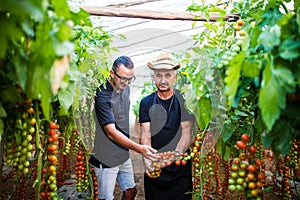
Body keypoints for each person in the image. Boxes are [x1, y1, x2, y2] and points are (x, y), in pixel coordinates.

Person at [89, 55, 158, 200]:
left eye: (130, 79)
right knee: (106, 198)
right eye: (123, 78)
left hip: (123, 154)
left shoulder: (125, 89)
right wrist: (139, 148)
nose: (126, 83)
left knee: (131, 191)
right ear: (111, 73)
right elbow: (111, 133)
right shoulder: (102, 96)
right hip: (106, 157)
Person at [139, 51, 195, 200]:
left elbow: (186, 133)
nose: (163, 80)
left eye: (167, 75)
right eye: (158, 75)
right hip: (156, 163)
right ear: (153, 77)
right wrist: (148, 160)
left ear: (175, 77)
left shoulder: (183, 100)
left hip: (179, 165)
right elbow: (145, 135)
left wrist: (175, 156)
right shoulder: (146, 103)